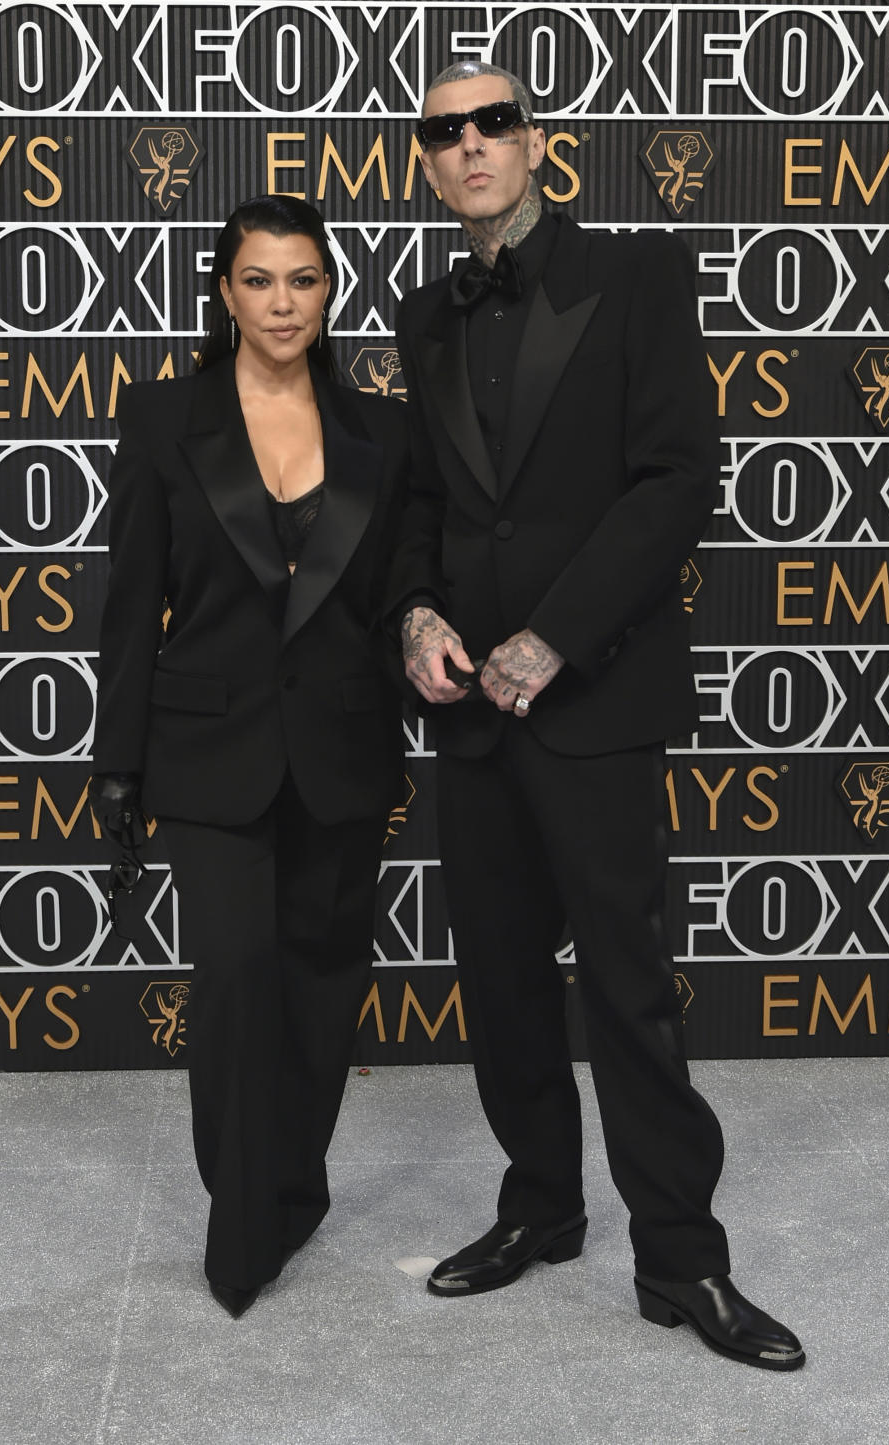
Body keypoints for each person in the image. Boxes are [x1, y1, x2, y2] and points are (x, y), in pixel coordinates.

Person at [389, 62, 804, 1370]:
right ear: (426, 160)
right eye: (444, 131)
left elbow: (677, 479)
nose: (471, 147)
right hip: (470, 716)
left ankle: (681, 1259)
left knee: (629, 993)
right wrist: (414, 615)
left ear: (540, 144)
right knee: (501, 989)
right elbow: (421, 508)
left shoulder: (639, 276)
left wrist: (551, 639)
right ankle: (542, 1207)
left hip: (596, 702)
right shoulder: (420, 311)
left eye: (493, 124)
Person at [89, 196, 407, 1319]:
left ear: (330, 292)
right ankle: (240, 1223)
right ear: (224, 293)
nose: (283, 301)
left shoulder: (381, 431)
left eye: (305, 279)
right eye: (260, 279)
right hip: (207, 751)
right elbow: (130, 606)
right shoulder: (164, 417)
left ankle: (293, 1183)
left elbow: (393, 599)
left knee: (323, 985)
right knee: (233, 978)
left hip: (342, 753)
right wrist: (115, 765)